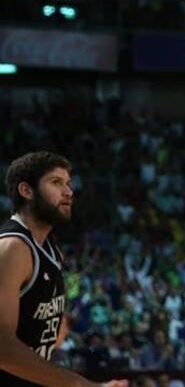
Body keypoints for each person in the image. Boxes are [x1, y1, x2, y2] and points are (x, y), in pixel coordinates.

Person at [0, 151, 127, 386]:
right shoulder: (12, 248)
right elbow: (3, 349)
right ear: (26, 191)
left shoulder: (51, 250)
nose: (68, 192)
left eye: (68, 183)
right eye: (56, 182)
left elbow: (48, 338)